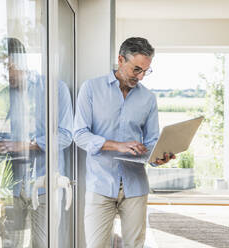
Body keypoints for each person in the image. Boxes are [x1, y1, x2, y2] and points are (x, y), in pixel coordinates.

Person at [74, 37, 175, 248]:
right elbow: (80, 134)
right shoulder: (91, 89)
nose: (140, 76)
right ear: (121, 59)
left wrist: (159, 157)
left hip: (135, 185)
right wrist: (117, 145)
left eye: (145, 71)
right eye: (136, 69)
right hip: (100, 185)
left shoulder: (148, 99)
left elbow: (151, 141)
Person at [0, 37, 73, 248]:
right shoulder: (5, 96)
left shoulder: (55, 89)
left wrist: (24, 145)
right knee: (11, 244)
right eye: (2, 69)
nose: (6, 74)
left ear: (22, 62)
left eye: (9, 67)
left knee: (43, 244)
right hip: (15, 186)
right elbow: (2, 136)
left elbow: (66, 135)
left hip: (44, 186)